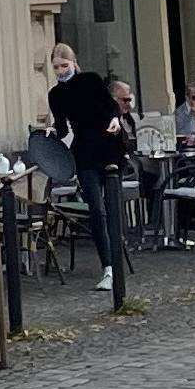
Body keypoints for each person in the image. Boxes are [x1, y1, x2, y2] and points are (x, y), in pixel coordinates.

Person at [46, 43, 128, 292]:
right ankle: (109, 268)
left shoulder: (91, 80)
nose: (61, 71)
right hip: (83, 151)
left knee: (111, 206)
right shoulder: (55, 94)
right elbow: (62, 127)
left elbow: (111, 106)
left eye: (64, 66)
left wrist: (115, 119)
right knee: (96, 210)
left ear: (74, 63)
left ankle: (116, 259)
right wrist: (49, 134)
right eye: (56, 67)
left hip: (109, 145)